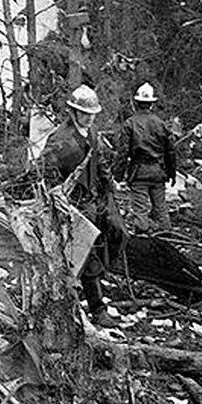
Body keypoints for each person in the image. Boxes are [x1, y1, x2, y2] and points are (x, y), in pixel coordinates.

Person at [39, 84, 128, 326]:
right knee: (87, 257)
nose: (89, 118)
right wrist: (58, 196)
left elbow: (99, 164)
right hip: (75, 206)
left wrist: (111, 184)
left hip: (97, 200)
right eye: (84, 114)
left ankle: (89, 291)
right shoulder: (60, 138)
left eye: (92, 114)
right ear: (74, 112)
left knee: (117, 233)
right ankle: (97, 309)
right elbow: (46, 170)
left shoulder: (92, 133)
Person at [120, 83, 177, 231]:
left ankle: (143, 240)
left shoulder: (130, 123)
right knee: (161, 209)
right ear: (152, 104)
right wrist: (172, 174)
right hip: (158, 172)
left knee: (140, 211)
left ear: (136, 103)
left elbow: (122, 152)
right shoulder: (161, 124)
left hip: (139, 172)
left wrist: (118, 174)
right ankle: (166, 237)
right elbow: (170, 151)